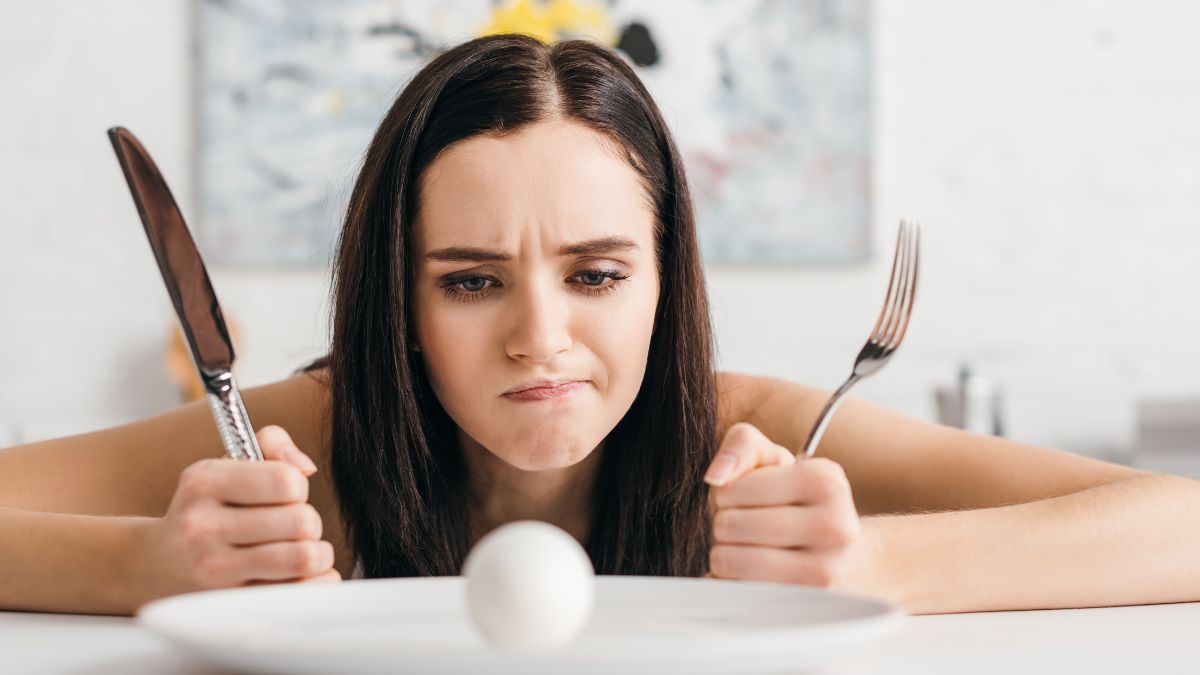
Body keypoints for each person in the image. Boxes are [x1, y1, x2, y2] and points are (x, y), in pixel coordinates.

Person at [0, 34, 1196, 617]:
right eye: (470, 282)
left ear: (667, 282)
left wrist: (879, 564)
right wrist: (146, 568)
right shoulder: (302, 439)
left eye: (597, 274)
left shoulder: (756, 430)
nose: (541, 339)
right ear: (398, 306)